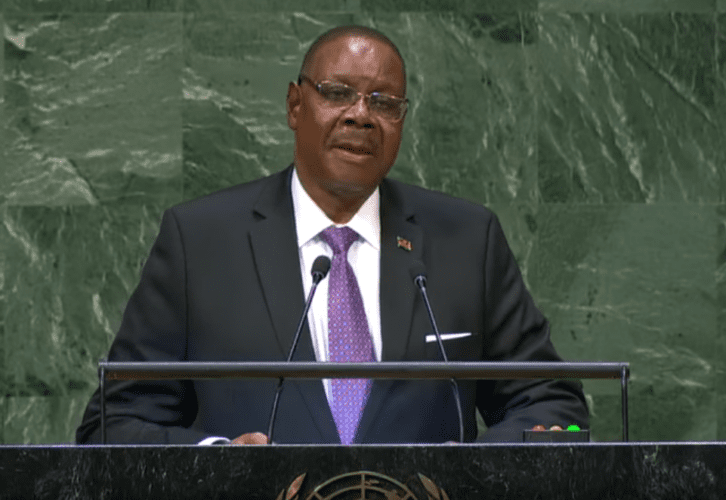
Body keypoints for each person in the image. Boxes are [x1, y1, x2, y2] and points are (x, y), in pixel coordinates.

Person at [76, 25, 588, 445]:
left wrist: (468, 469)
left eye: (384, 102)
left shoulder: (466, 239)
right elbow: (111, 426)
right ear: (295, 106)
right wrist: (217, 462)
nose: (361, 115)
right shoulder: (200, 241)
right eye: (337, 93)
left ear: (402, 121)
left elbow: (553, 407)